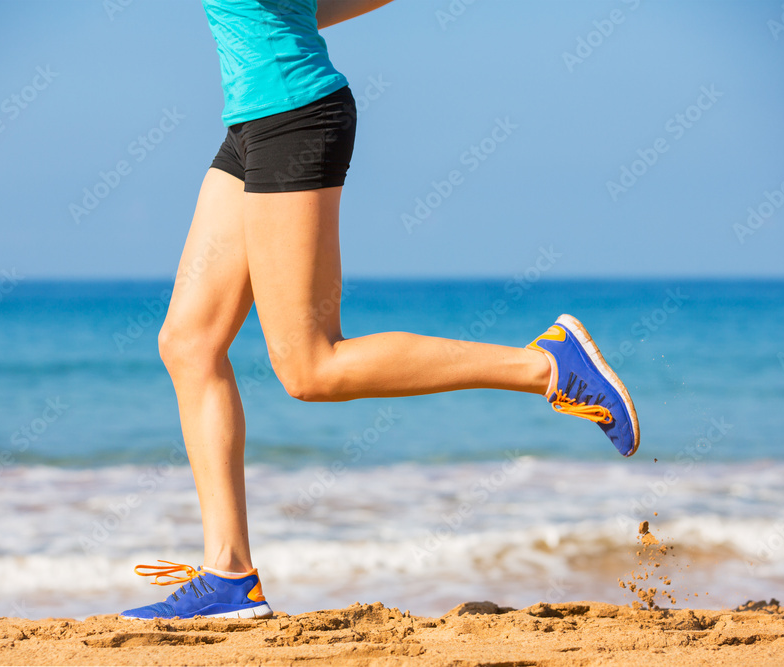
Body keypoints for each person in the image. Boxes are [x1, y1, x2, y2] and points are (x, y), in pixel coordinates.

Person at [120, 0, 639, 621]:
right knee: (189, 342)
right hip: (254, 121)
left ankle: (547, 365)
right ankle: (229, 576)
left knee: (311, 368)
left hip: (292, 115)